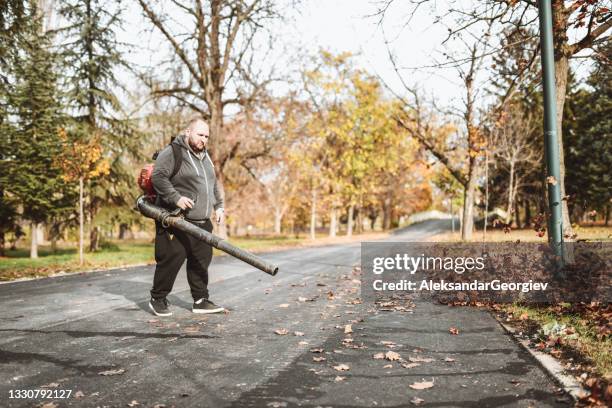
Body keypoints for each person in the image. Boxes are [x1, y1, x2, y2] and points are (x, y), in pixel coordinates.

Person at [149, 117, 225, 316]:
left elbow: (213, 184)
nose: (204, 139)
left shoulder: (206, 157)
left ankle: (200, 300)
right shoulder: (173, 152)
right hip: (179, 221)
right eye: (200, 134)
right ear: (188, 132)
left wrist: (219, 207)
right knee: (171, 261)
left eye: (207, 136)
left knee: (201, 262)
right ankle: (157, 298)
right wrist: (176, 198)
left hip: (202, 222)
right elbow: (158, 176)